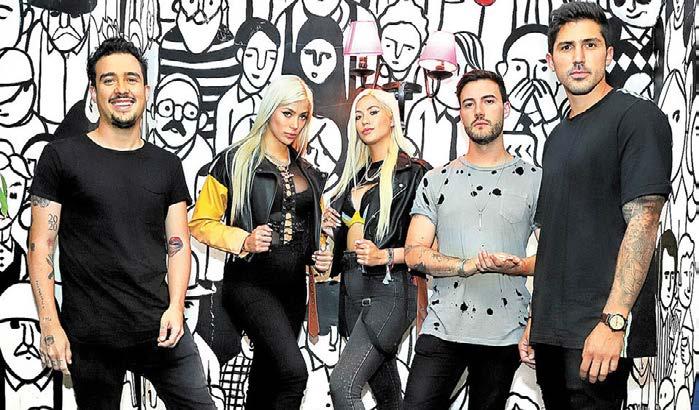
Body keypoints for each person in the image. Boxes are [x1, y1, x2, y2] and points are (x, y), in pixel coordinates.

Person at [26, 37, 216, 409]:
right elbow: (40, 245)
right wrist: (49, 325)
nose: (121, 88)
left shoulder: (166, 165)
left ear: (146, 90)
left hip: (160, 327)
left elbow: (178, 244)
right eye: (108, 79)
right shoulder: (61, 157)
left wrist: (176, 306)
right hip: (92, 337)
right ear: (93, 92)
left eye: (131, 78)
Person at [522, 3, 672, 409]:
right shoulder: (556, 138)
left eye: (590, 45)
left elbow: (644, 221)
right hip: (551, 333)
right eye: (566, 47)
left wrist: (614, 321)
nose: (578, 57)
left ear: (609, 54)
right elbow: (552, 238)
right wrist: (536, 318)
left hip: (598, 330)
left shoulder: (636, 117)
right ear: (551, 61)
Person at [189, 75, 333, 409]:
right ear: (270, 110)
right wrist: (244, 240)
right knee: (293, 374)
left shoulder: (309, 172)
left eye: (302, 117)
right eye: (287, 113)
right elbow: (200, 223)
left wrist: (322, 254)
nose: (295, 124)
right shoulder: (234, 162)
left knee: (267, 379)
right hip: (250, 284)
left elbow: (316, 232)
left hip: (293, 289)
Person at [403, 69, 541, 410]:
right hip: (442, 326)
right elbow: (414, 252)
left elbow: (555, 258)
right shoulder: (437, 179)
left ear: (506, 107)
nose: (479, 111)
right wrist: (465, 266)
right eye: (469, 104)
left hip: (505, 332)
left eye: (488, 101)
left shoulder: (535, 179)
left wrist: (516, 267)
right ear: (460, 113)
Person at [323, 89, 430, 409]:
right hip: (352, 290)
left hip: (390, 288)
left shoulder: (414, 172)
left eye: (372, 112)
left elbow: (429, 245)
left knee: (343, 385)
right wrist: (329, 236)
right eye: (358, 116)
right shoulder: (353, 177)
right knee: (387, 395)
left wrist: (386, 255)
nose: (364, 121)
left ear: (392, 118)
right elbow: (344, 245)